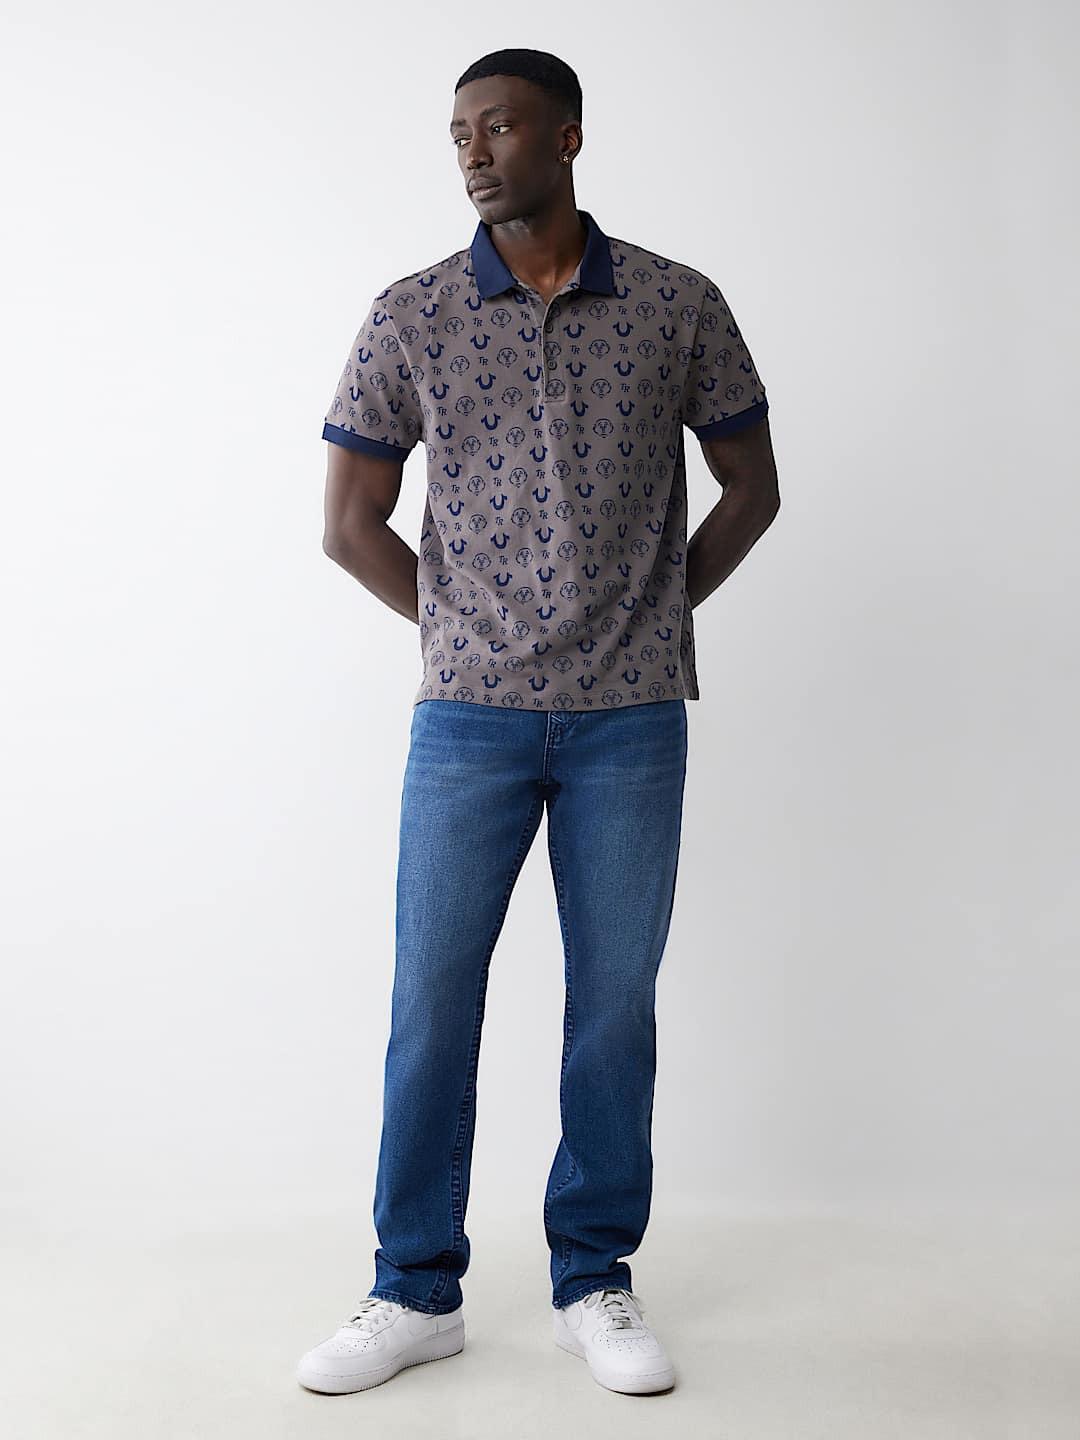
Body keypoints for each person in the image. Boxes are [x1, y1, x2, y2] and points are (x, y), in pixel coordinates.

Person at [297, 46, 780, 1399]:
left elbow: (751, 484)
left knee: (612, 1003)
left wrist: (658, 612)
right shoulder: (413, 315)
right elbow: (348, 524)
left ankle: (594, 1279)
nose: (472, 149)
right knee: (431, 998)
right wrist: (465, 633)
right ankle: (412, 1289)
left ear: (566, 137)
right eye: (458, 131)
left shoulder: (677, 303)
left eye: (499, 125)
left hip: (632, 719)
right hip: (469, 722)